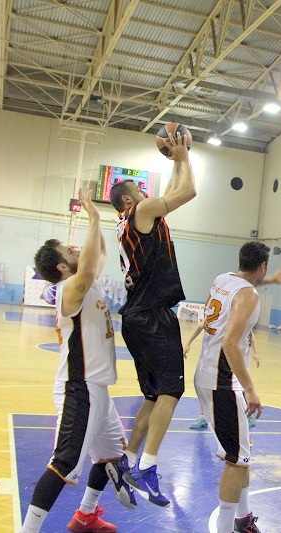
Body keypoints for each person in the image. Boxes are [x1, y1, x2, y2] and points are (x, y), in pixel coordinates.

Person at [22, 188, 137, 533]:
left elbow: (99, 253)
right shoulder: (70, 288)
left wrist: (96, 221)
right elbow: (87, 266)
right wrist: (93, 215)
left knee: (112, 456)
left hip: (97, 389)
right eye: (68, 251)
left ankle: (85, 516)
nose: (75, 250)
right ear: (61, 266)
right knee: (64, 462)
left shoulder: (86, 283)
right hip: (79, 389)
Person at [109, 131, 195, 507]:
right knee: (171, 392)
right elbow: (188, 191)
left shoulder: (137, 217)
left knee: (152, 395)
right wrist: (184, 156)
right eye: (139, 189)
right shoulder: (141, 213)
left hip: (136, 316)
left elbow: (173, 191)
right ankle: (148, 467)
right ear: (129, 200)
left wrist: (176, 160)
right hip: (152, 316)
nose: (147, 192)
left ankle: (128, 459)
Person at [193, 241, 281, 533]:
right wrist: (250, 388)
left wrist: (271, 279)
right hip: (223, 383)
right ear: (262, 266)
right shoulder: (249, 295)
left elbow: (240, 294)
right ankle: (227, 527)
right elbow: (230, 344)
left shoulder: (223, 279)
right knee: (236, 461)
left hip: (207, 376)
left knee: (242, 452)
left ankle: (243, 518)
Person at [185, 320, 259, 429]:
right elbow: (200, 326)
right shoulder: (217, 319)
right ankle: (204, 416)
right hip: (218, 359)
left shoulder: (241, 322)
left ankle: (248, 415)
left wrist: (255, 353)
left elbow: (251, 335)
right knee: (206, 388)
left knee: (241, 387)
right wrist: (188, 343)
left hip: (239, 359)